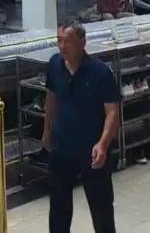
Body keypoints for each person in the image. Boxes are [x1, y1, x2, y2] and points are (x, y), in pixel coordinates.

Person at [43, 19, 119, 233]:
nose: (62, 46)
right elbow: (51, 98)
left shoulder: (100, 73)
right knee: (58, 207)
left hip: (92, 150)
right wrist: (46, 129)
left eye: (68, 41)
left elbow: (112, 112)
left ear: (82, 43)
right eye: (59, 40)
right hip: (62, 148)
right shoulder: (54, 65)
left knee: (101, 208)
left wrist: (103, 144)